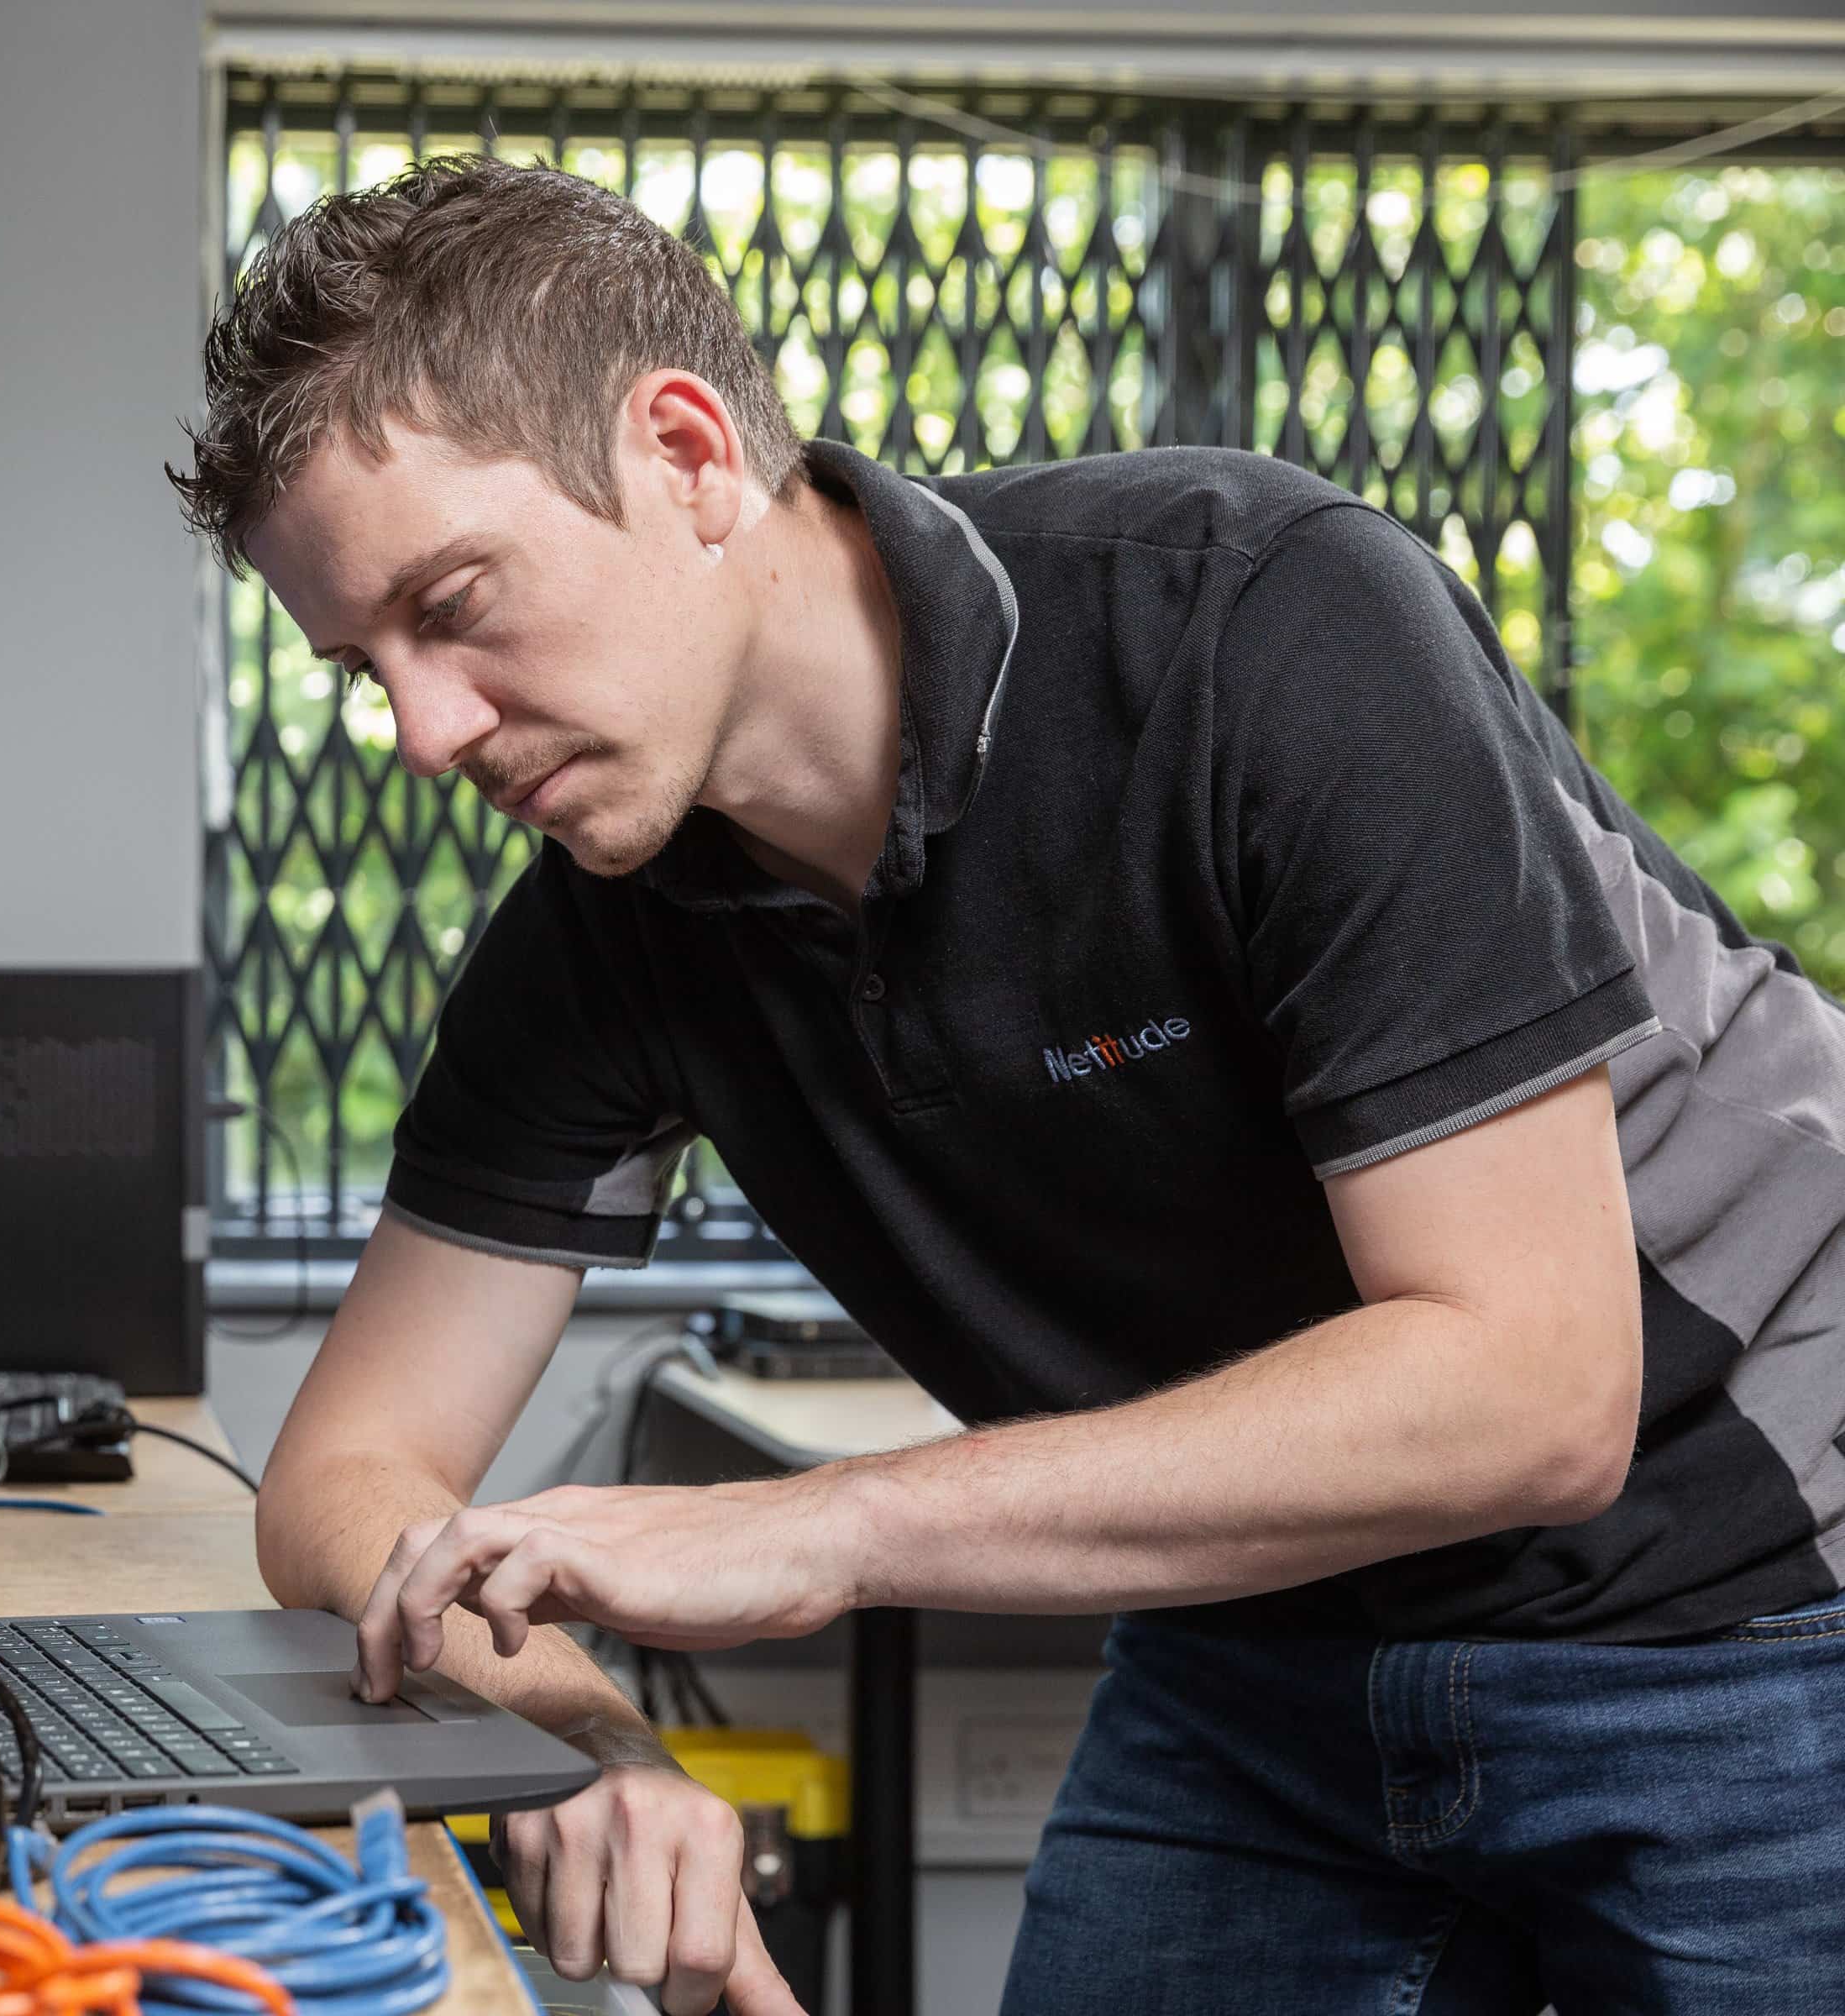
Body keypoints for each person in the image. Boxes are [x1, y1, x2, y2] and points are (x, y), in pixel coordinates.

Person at [166, 155, 1845, 2016]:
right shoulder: (608, 919)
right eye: (360, 669)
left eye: (455, 603)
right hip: (1262, 1650)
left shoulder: (1253, 624)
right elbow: (336, 1479)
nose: (422, 734)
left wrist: (820, 1525)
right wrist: (586, 1742)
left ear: (692, 456)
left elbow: (1536, 1388)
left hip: (1759, 1598)